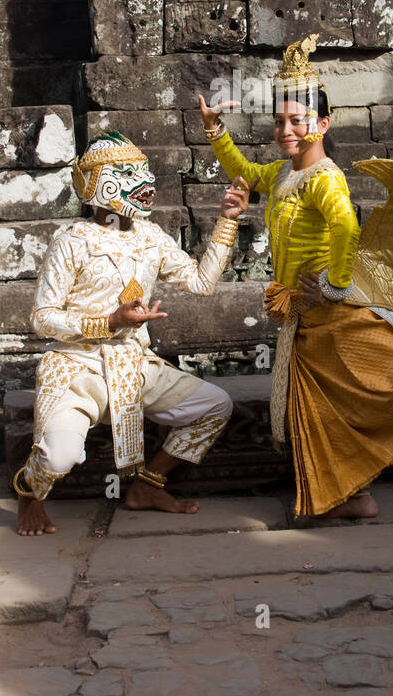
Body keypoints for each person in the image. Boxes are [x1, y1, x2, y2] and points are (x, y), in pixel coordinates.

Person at [198, 34, 393, 521]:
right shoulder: (282, 174)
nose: (286, 130)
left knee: (389, 386)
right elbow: (245, 171)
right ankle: (352, 494)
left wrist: (336, 283)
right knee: (315, 405)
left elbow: (345, 227)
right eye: (279, 122)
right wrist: (215, 131)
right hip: (302, 312)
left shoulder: (325, 178)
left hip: (334, 311)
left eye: (297, 121)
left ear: (322, 123)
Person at [14, 130, 250, 535]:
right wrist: (108, 322)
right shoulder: (72, 242)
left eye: (143, 171)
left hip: (133, 364)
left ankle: (148, 484)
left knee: (216, 405)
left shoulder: (150, 236)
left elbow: (200, 282)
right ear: (96, 183)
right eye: (127, 173)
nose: (144, 182)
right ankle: (28, 493)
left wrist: (227, 222)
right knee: (59, 458)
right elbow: (42, 318)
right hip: (77, 368)